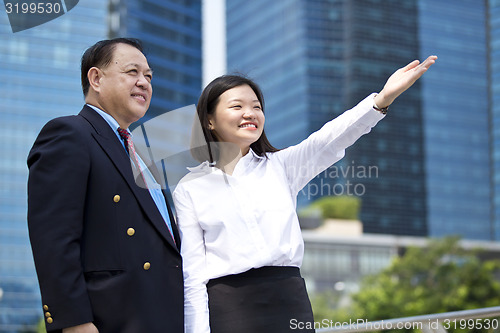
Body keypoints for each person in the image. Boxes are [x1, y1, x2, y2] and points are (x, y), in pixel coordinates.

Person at [173, 55, 437, 333]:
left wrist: (381, 100)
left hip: (289, 301)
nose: (250, 113)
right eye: (237, 106)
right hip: (229, 309)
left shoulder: (281, 166)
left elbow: (329, 139)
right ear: (210, 121)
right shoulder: (190, 188)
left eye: (257, 107)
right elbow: (193, 276)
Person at [27, 38, 183, 333]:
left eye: (148, 76)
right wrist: (74, 322)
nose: (144, 83)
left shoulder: (139, 155)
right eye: (132, 72)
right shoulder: (69, 133)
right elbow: (54, 238)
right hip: (110, 322)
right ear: (96, 78)